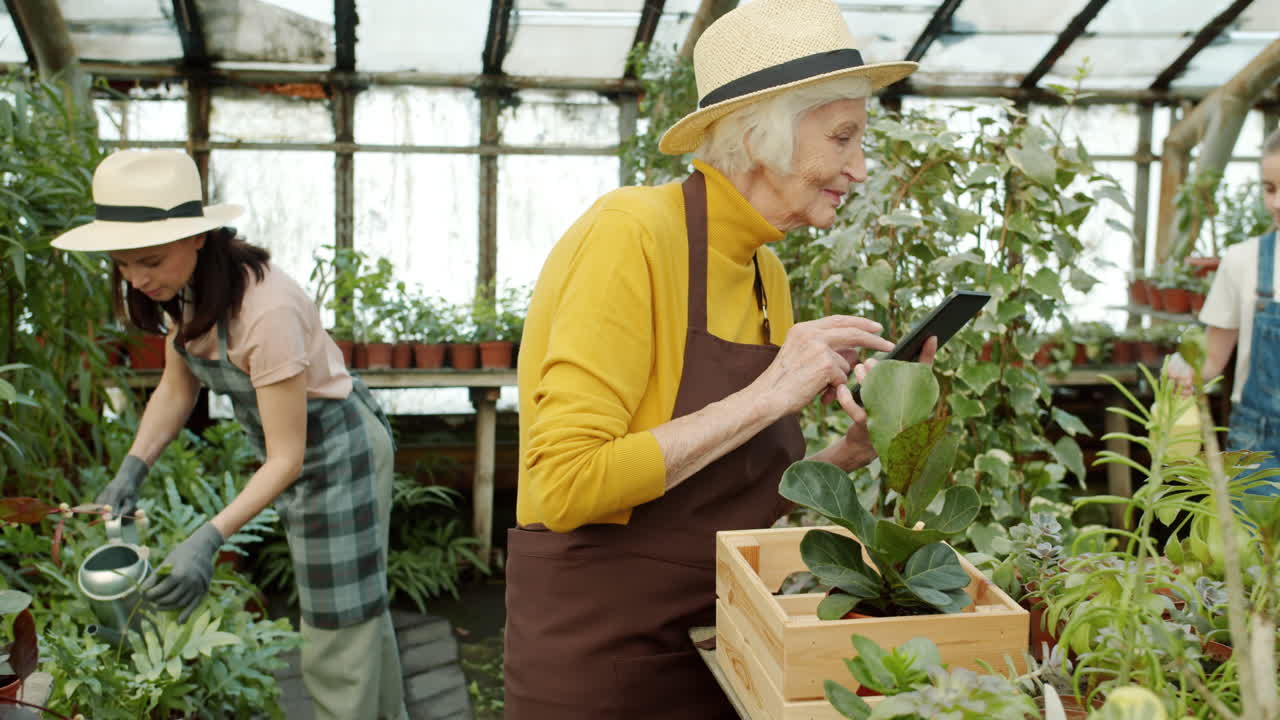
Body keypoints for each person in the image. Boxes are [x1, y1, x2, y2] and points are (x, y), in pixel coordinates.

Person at [504, 1, 934, 717]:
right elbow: (567, 484)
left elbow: (725, 498)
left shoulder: (766, 275)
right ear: (762, 132)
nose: (860, 169)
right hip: (601, 664)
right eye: (843, 137)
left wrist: (852, 451)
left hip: (716, 647)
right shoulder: (629, 234)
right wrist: (771, 392)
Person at [53, 149, 410, 720]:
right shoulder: (186, 289)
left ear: (199, 236)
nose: (137, 280)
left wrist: (207, 539)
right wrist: (132, 468)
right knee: (356, 615)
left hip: (338, 456)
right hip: (297, 454)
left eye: (148, 261)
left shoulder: (265, 311)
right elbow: (178, 389)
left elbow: (287, 457)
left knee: (337, 632)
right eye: (122, 264)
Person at [1170, 127, 1280, 494]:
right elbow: (1212, 360)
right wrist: (1184, 372)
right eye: (1269, 188)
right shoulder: (1244, 260)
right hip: (1258, 442)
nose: (1276, 203)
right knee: (1249, 551)